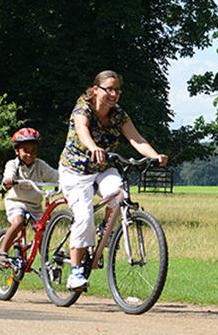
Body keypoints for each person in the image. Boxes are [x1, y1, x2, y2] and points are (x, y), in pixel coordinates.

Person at [58, 70, 169, 290]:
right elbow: (82, 130)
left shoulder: (119, 115)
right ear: (95, 89)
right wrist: (93, 147)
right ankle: (76, 273)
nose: (114, 94)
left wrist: (155, 155)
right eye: (109, 89)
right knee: (83, 216)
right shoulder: (83, 107)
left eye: (117, 90)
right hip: (75, 170)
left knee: (120, 194)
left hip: (102, 167)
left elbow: (136, 139)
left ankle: (104, 231)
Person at [0, 127, 59, 267]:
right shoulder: (13, 164)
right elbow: (8, 175)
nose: (30, 155)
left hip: (35, 206)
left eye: (33, 151)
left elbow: (55, 176)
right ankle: (2, 252)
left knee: (43, 230)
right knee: (18, 222)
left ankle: (45, 262)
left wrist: (67, 181)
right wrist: (8, 181)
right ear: (17, 151)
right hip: (16, 202)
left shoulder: (40, 166)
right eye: (25, 151)